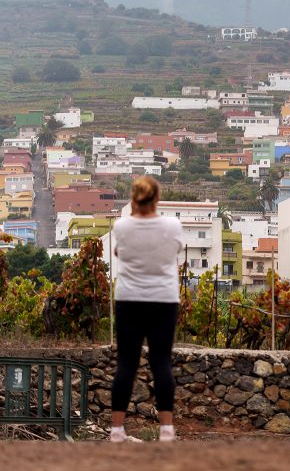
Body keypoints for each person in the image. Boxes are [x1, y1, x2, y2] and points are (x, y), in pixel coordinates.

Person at [109, 175, 184, 443]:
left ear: (133, 197)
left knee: (126, 364)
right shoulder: (172, 225)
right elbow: (175, 250)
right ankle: (166, 429)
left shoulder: (122, 226)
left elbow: (119, 253)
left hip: (129, 298)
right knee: (161, 362)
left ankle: (117, 430)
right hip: (163, 299)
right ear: (157, 198)